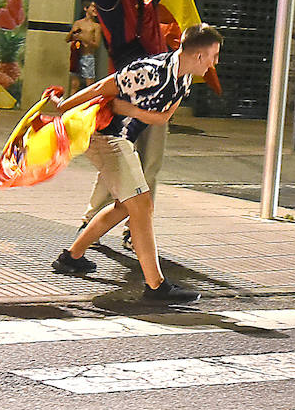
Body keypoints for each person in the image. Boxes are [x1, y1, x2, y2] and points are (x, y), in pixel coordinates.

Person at [50, 24, 223, 304]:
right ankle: (156, 286)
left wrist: (130, 109)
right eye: (213, 56)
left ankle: (71, 257)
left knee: (125, 206)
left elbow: (162, 118)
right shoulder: (150, 71)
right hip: (105, 135)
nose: (215, 62)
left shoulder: (184, 80)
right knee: (141, 204)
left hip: (121, 139)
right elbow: (102, 87)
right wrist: (64, 106)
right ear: (199, 55)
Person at [83, 0, 180, 250]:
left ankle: (133, 225)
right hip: (124, 88)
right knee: (119, 156)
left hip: (160, 85)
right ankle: (93, 218)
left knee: (149, 162)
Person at [67, 2, 102, 93]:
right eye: (93, 6)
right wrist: (73, 33)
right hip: (76, 56)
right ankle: (70, 105)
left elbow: (96, 45)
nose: (95, 9)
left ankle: (89, 105)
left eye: (96, 7)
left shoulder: (96, 26)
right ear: (86, 8)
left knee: (90, 85)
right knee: (74, 84)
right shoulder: (78, 23)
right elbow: (67, 39)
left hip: (88, 57)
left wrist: (83, 39)